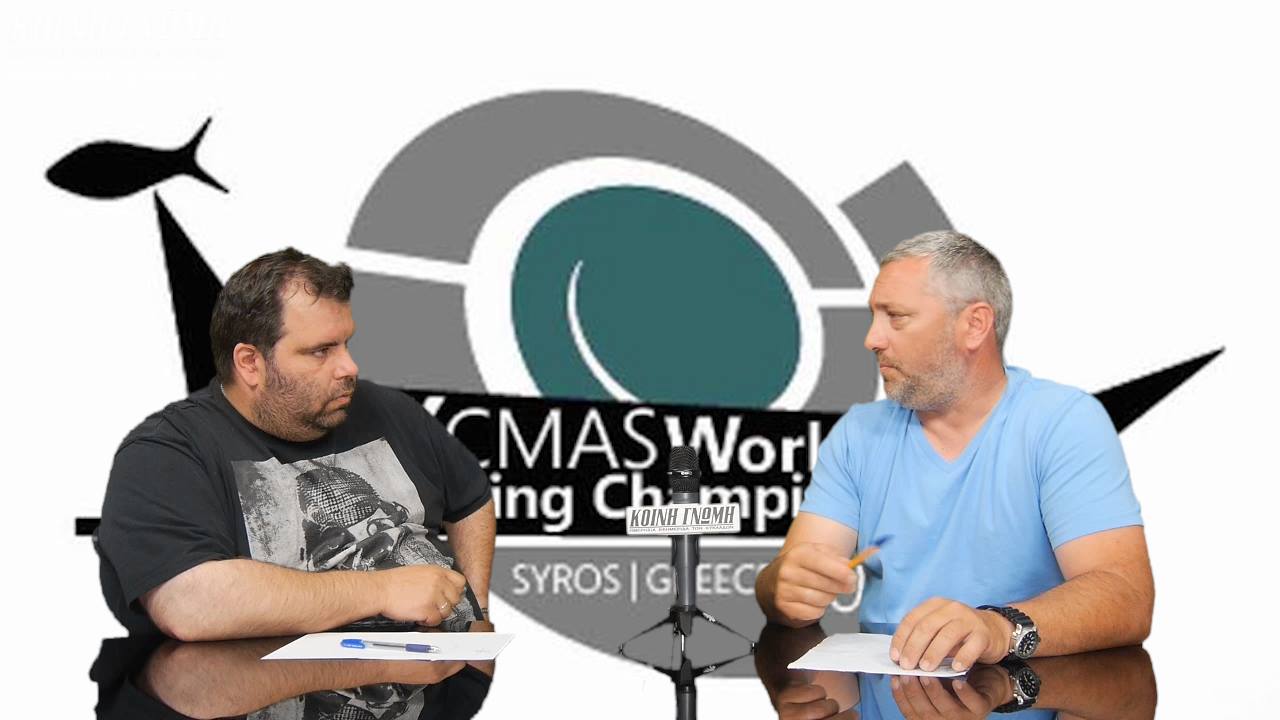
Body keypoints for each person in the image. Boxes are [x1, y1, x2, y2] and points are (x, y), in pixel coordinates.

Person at [755, 231, 1153, 673]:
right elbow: (790, 580)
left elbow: (1125, 597)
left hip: (1021, 688)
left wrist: (997, 629)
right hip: (884, 686)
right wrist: (781, 589)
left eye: (896, 317)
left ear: (975, 325)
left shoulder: (1063, 423)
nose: (872, 339)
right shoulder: (858, 434)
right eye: (874, 317)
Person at [98, 248, 496, 640]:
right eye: (321, 351)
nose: (350, 367)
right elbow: (187, 603)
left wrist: (477, 613)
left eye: (346, 343)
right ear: (250, 363)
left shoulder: (386, 409)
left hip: (442, 671)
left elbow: (471, 498)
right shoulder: (166, 452)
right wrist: (383, 591)